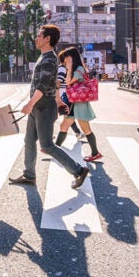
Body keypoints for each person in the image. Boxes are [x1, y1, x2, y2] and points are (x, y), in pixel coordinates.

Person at [9, 25, 90, 190]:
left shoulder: (49, 59)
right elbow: (53, 83)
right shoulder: (44, 57)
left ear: (47, 39)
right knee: (29, 140)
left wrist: (30, 103)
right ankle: (29, 175)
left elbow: (43, 85)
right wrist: (58, 101)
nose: (36, 38)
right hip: (39, 105)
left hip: (43, 107)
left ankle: (78, 170)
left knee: (46, 145)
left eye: (39, 35)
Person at [56, 47, 102, 162]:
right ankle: (54, 149)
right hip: (73, 103)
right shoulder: (75, 68)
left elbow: (67, 82)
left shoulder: (78, 69)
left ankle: (95, 153)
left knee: (85, 128)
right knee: (64, 126)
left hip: (79, 103)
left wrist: (70, 66)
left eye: (66, 57)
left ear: (71, 57)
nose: (65, 60)